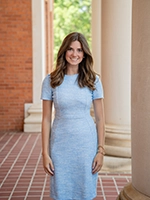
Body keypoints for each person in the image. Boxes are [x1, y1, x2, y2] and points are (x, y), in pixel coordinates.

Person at [41, 32, 105, 200]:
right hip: (60, 145)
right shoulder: (51, 80)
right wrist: (45, 154)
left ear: (84, 54)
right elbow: (46, 119)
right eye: (70, 49)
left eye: (79, 50)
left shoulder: (93, 80)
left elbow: (100, 118)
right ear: (64, 51)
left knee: (85, 192)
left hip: (86, 145)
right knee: (61, 192)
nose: (74, 54)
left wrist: (101, 151)